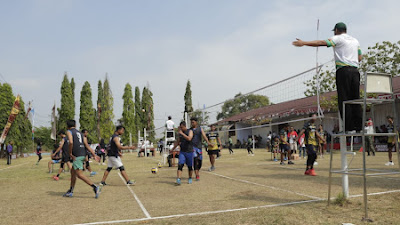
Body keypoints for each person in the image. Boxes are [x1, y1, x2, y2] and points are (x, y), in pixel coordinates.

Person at [293, 22, 362, 132]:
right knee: (355, 99)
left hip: (343, 70)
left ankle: (349, 127)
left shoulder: (338, 38)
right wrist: (349, 57)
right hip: (355, 71)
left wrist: (304, 43)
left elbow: (321, 42)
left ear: (336, 30)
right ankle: (359, 126)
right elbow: (360, 57)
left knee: (344, 99)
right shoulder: (355, 41)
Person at [62, 120, 101, 198]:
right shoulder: (80, 133)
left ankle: (95, 187)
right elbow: (86, 145)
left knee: (79, 175)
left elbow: (71, 142)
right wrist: (93, 154)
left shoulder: (69, 132)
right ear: (75, 125)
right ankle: (71, 190)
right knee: (73, 172)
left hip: (77, 155)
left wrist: (70, 153)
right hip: (83, 154)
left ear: (67, 126)